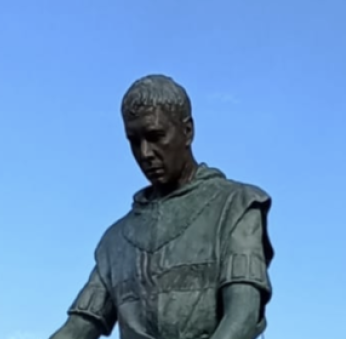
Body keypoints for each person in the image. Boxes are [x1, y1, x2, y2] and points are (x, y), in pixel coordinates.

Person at [49, 75, 274, 339]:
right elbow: (77, 328)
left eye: (156, 136)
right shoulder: (115, 241)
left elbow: (242, 317)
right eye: (134, 140)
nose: (145, 152)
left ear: (187, 131)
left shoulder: (236, 205)